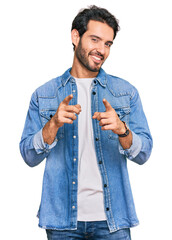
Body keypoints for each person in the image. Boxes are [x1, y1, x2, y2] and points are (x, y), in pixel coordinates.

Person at [20, 5, 153, 240]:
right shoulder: (45, 94)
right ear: (75, 36)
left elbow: (144, 154)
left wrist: (123, 130)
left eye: (108, 44)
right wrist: (53, 125)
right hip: (62, 222)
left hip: (113, 222)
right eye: (95, 39)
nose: (101, 49)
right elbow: (29, 157)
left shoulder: (125, 93)